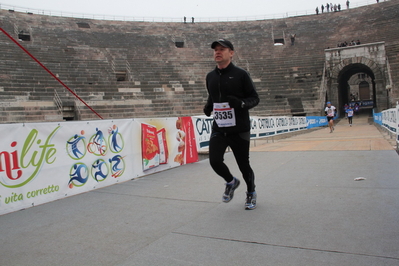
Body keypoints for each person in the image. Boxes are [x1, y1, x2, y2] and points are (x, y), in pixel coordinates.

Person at [203, 39, 260, 210]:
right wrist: (208, 105)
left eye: (222, 49)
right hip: (219, 128)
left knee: (244, 165)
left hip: (239, 129)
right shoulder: (210, 76)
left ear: (231, 53)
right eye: (215, 50)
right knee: (214, 161)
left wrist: (241, 104)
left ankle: (251, 192)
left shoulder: (241, 74)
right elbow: (213, 96)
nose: (217, 52)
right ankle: (231, 181)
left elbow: (254, 98)